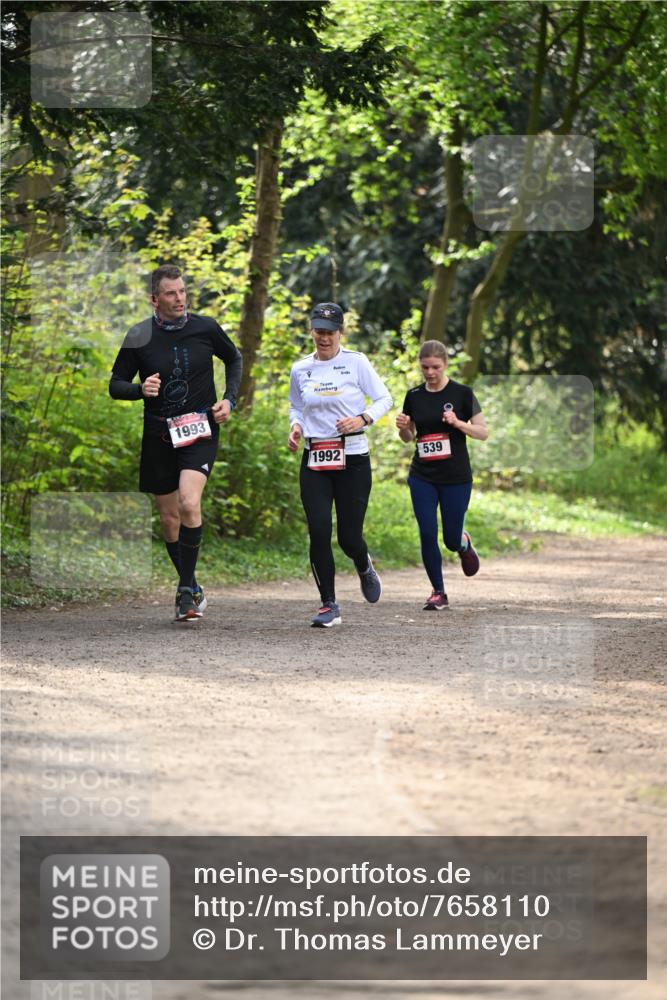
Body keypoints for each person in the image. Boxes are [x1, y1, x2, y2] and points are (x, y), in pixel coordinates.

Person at [109, 264, 242, 622]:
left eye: (182, 291)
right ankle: (192, 583)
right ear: (155, 299)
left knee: (188, 501)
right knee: (169, 520)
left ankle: (185, 593)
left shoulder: (206, 327)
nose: (179, 298)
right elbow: (115, 384)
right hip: (158, 435)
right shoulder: (138, 335)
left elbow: (233, 358)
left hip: (199, 429)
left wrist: (229, 399)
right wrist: (140, 390)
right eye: (171, 293)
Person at [288, 302, 392, 628]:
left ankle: (363, 563)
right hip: (315, 457)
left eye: (330, 332)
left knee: (348, 537)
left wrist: (362, 418)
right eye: (319, 331)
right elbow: (297, 406)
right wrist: (295, 427)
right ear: (311, 331)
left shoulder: (356, 363)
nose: (324, 338)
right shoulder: (300, 369)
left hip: (353, 458)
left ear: (340, 333)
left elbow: (384, 399)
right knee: (318, 530)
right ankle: (328, 604)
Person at [396, 340, 488, 610]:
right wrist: (403, 427)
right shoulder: (413, 395)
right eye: (425, 367)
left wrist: (458, 423)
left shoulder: (462, 393)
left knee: (449, 538)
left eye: (435, 367)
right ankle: (438, 591)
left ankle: (463, 542)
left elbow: (483, 432)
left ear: (445, 365)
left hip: (456, 477)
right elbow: (408, 437)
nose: (430, 372)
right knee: (427, 531)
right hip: (422, 475)